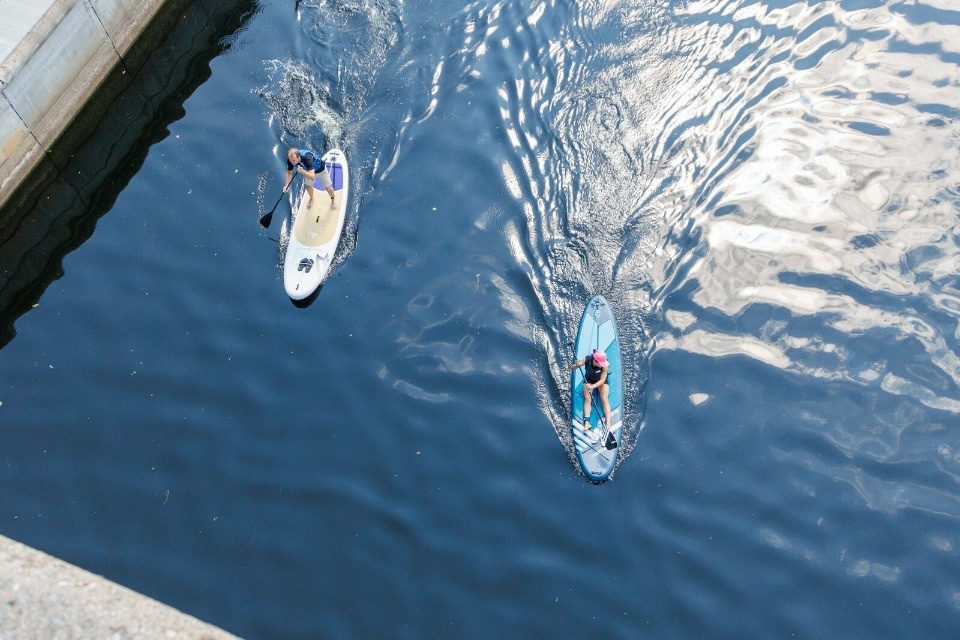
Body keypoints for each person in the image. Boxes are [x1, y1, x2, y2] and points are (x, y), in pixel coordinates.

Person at [569, 349, 612, 432]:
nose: (603, 364)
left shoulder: (605, 365)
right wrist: (577, 365)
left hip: (600, 381)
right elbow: (572, 368)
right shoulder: (587, 359)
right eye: (601, 363)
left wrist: (593, 386)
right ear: (595, 361)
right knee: (587, 399)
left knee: (604, 399)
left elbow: (603, 380)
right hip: (589, 379)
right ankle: (587, 423)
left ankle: (608, 423)